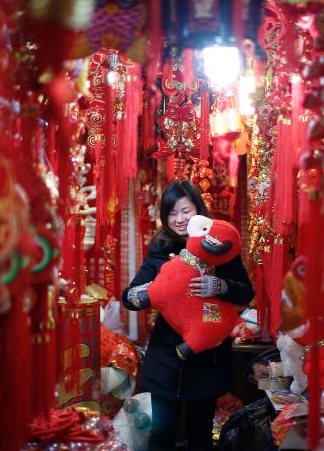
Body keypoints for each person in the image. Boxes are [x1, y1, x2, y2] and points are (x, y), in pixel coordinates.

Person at [122, 180, 254, 451]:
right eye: (172, 213)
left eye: (185, 211)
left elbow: (245, 293)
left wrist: (221, 286)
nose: (179, 219)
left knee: (200, 436)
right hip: (165, 356)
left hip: (206, 358)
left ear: (198, 210)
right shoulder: (160, 248)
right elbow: (129, 296)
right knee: (161, 434)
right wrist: (143, 293)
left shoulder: (219, 244)